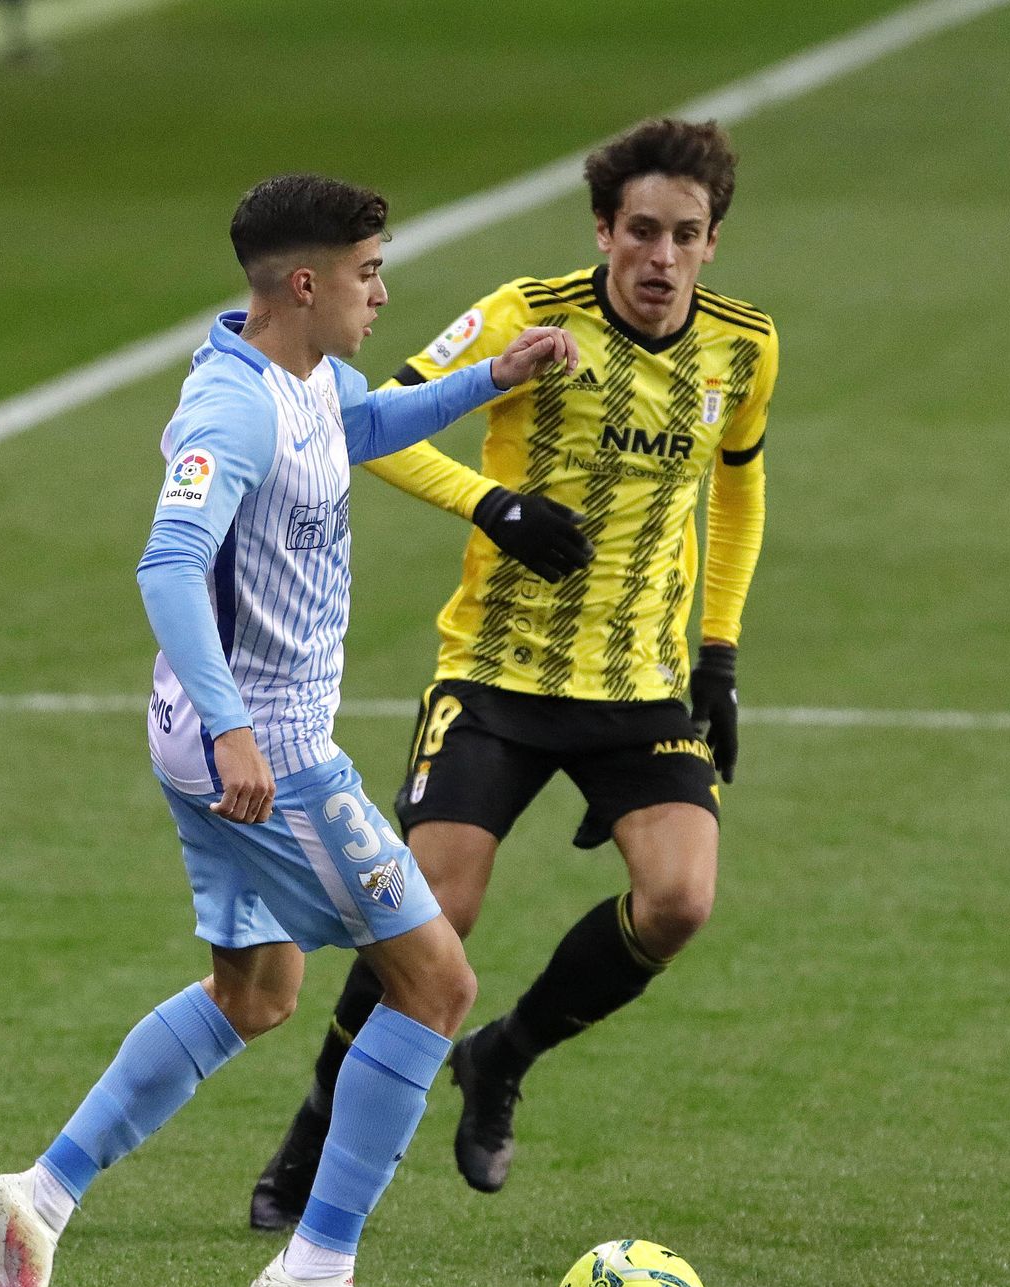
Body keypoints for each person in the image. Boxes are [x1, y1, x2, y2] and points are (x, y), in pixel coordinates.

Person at [0, 172, 581, 1287]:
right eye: (368, 273)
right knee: (437, 982)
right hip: (268, 751)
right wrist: (238, 729)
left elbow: (364, 426)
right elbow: (167, 563)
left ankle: (38, 1197)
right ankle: (315, 1266)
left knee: (255, 992)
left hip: (216, 739)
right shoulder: (231, 408)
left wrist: (491, 378)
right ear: (306, 282)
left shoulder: (306, 378)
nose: (382, 294)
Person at [249, 118, 779, 1229]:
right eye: (641, 231)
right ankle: (313, 1132)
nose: (661, 257)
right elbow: (364, 423)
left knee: (679, 901)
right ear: (603, 230)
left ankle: (503, 1055)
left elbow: (736, 490)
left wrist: (719, 653)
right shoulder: (526, 315)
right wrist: (492, 502)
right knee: (429, 913)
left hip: (639, 688)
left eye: (685, 236)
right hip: (497, 676)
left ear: (712, 242)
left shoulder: (743, 348)